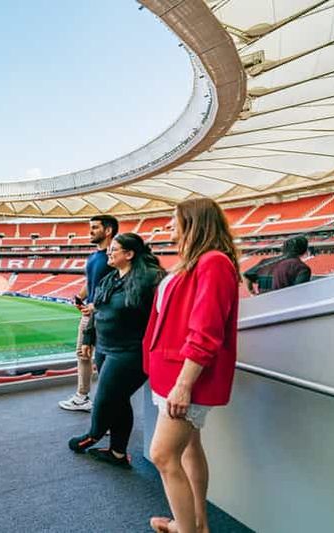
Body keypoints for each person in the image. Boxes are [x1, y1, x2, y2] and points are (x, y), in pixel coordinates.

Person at [144, 198, 240, 533]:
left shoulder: (214, 263)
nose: (170, 225)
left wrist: (184, 383)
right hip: (170, 373)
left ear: (194, 223)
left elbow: (206, 330)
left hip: (185, 377)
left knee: (162, 455)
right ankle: (198, 525)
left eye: (175, 220)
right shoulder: (193, 263)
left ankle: (186, 530)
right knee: (188, 448)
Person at [67, 233, 165, 468]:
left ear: (129, 254)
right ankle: (118, 453)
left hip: (130, 352)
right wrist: (89, 338)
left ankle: (93, 434)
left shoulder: (150, 279)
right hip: (105, 348)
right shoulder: (110, 279)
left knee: (105, 398)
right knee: (119, 400)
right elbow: (96, 310)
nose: (109, 253)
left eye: (115, 250)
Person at [58, 215, 117, 412]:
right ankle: (82, 397)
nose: (90, 231)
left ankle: (108, 407)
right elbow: (91, 282)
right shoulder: (94, 256)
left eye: (94, 227)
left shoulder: (113, 256)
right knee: (83, 355)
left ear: (108, 231)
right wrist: (79, 297)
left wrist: (96, 305)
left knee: (104, 360)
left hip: (104, 315)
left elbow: (118, 286)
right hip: (88, 314)